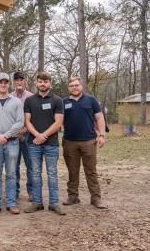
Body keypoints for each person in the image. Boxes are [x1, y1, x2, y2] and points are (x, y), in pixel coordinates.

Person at [23, 72, 65, 215]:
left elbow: (58, 122)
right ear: (36, 83)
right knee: (35, 173)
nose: (43, 84)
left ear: (50, 84)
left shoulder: (57, 100)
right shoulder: (29, 101)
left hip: (51, 144)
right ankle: (37, 202)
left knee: (52, 173)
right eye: (40, 81)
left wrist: (43, 136)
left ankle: (54, 203)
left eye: (45, 82)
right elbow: (27, 121)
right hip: (33, 143)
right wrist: (36, 135)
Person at [62, 77, 107, 209]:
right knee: (72, 171)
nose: (74, 87)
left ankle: (96, 199)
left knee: (91, 171)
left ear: (81, 86)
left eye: (76, 85)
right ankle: (73, 197)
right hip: (69, 142)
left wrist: (102, 135)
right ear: (68, 88)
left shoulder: (91, 100)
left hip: (89, 141)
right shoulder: (63, 102)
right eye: (71, 86)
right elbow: (58, 120)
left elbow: (99, 118)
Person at [0, 73, 24, 216]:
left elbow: (20, 122)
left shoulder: (16, 102)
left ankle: (11, 203)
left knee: (11, 174)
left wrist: (7, 135)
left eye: (5, 82)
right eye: (0, 82)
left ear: (9, 84)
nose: (3, 85)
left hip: (12, 142)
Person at [11, 71, 34, 202]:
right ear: (14, 82)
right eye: (17, 80)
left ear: (25, 81)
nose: (19, 82)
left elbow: (33, 117)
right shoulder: (10, 96)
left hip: (29, 136)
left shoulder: (31, 97)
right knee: (14, 166)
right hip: (14, 136)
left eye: (21, 80)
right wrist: (17, 132)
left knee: (30, 165)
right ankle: (15, 191)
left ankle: (31, 191)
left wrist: (24, 130)